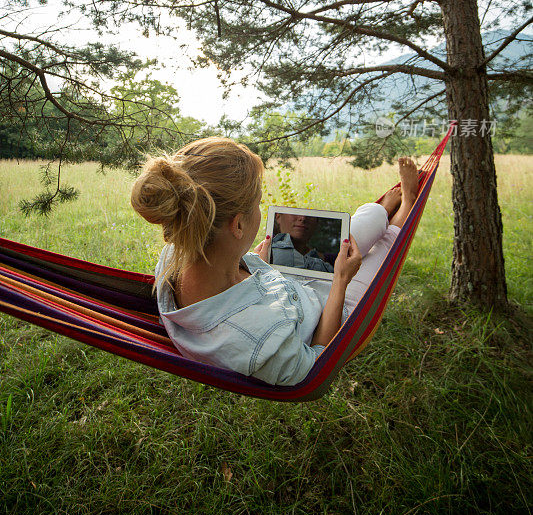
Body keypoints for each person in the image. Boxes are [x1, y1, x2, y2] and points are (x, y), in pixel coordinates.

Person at [130, 137, 419, 387]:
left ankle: (380, 213)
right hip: (329, 309)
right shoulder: (259, 342)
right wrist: (341, 280)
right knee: (385, 248)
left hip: (284, 282)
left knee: (370, 216)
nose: (261, 210)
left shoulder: (177, 254)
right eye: (257, 203)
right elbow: (317, 357)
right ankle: (406, 204)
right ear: (238, 225)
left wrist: (252, 259)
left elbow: (225, 280)